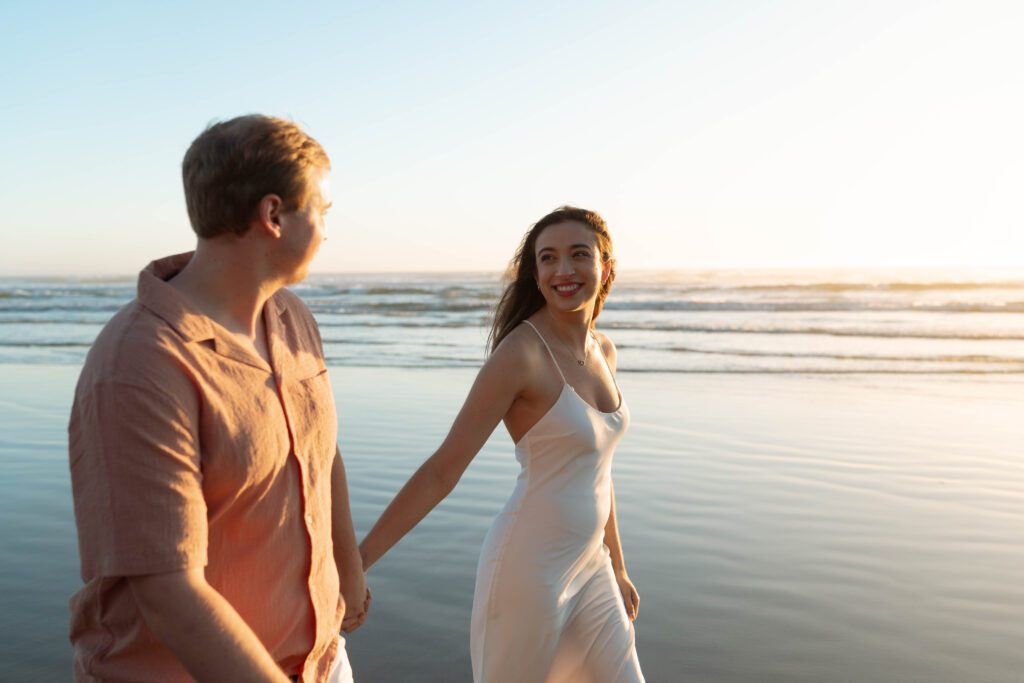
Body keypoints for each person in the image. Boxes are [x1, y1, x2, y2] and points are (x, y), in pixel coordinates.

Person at [68, 115, 369, 682]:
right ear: (274, 214)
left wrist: (347, 570)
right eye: (322, 212)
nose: (327, 231)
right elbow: (168, 592)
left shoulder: (291, 317)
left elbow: (320, 452)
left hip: (320, 663)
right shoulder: (140, 364)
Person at [358, 206, 645, 682]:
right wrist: (359, 561)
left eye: (579, 255)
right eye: (548, 259)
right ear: (536, 274)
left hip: (591, 564)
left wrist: (618, 564)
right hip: (528, 571)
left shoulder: (603, 350)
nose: (564, 271)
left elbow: (598, 470)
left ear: (605, 266)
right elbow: (442, 470)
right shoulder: (520, 355)